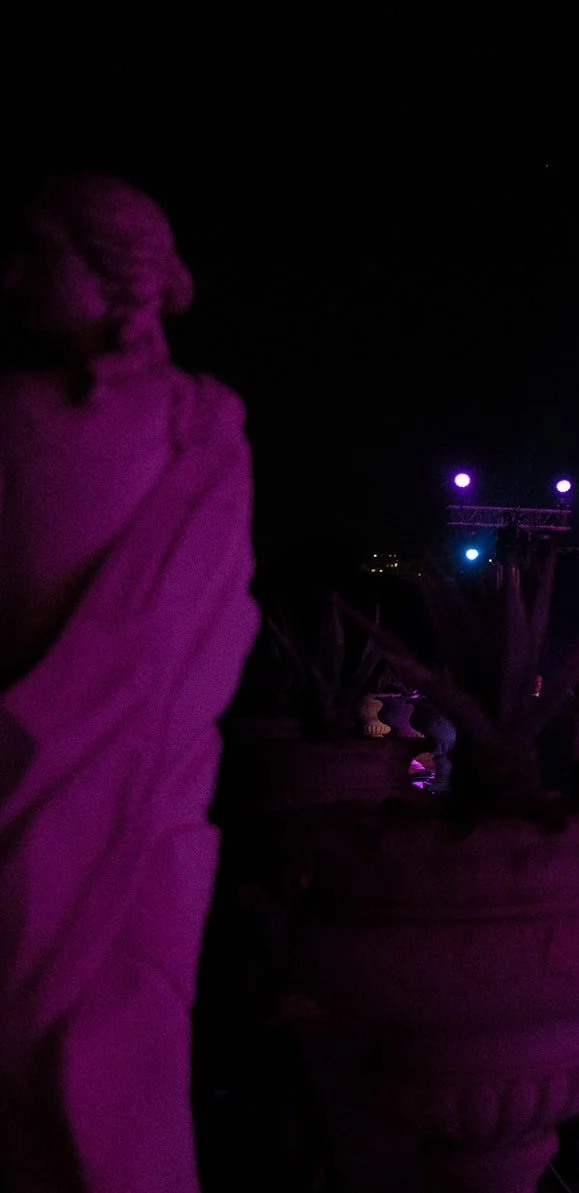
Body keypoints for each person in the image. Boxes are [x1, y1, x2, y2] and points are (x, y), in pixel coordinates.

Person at [0, 176, 258, 1193]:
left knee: (120, 1062)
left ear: (116, 274)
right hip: (39, 780)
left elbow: (214, 623)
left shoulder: (206, 428)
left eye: (39, 251)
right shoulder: (27, 419)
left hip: (146, 797)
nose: (12, 278)